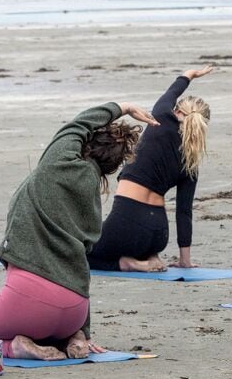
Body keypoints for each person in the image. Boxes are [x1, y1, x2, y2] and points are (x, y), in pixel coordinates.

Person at [0, 100, 159, 361]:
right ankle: (72, 338)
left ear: (85, 144)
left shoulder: (56, 162)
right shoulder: (91, 199)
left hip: (30, 302)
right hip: (74, 310)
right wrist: (84, 331)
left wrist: (123, 108)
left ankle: (16, 348)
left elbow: (78, 124)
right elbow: (82, 263)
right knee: (47, 319)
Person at [89, 66, 214, 272]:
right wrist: (185, 261)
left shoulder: (162, 117)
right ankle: (149, 257)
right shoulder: (191, 162)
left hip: (127, 221)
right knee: (122, 242)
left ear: (178, 110)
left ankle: (127, 264)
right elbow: (184, 212)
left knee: (78, 253)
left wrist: (189, 75)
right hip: (158, 234)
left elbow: (172, 91)